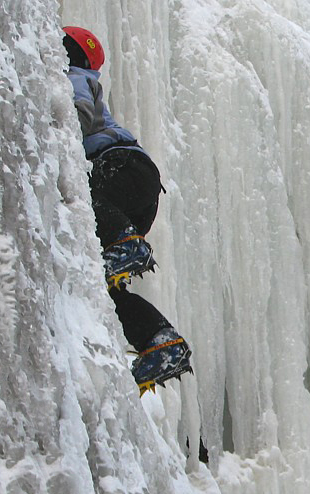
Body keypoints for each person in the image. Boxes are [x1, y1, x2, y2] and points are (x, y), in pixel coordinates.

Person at [63, 26, 192, 395]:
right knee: (103, 287)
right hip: (139, 193)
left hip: (116, 166)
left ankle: (125, 243)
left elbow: (78, 111)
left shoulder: (74, 76)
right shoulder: (84, 72)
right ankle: (160, 341)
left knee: (83, 197)